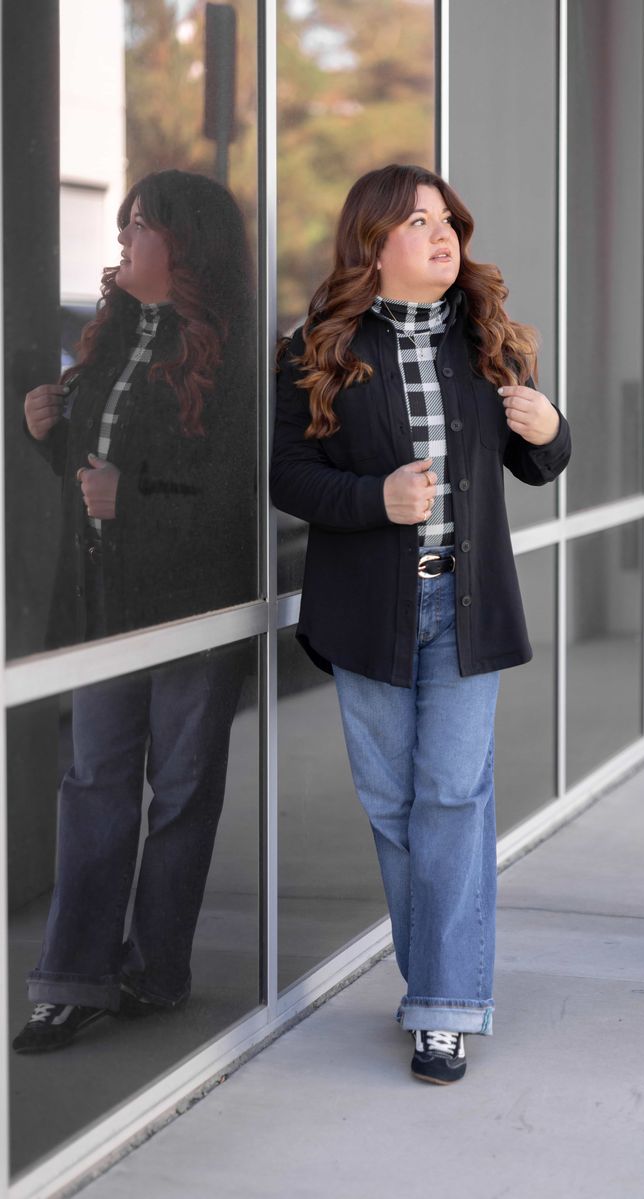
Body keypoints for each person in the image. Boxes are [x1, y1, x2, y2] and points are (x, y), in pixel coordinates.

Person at [270, 163, 571, 1084]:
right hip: (368, 613)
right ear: (374, 245)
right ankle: (439, 978)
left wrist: (550, 422)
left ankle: (442, 1006)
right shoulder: (317, 347)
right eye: (417, 222)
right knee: (394, 805)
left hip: (464, 606)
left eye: (447, 221)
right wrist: (377, 498)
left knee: (450, 795)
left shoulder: (489, 339)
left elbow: (540, 463)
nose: (443, 237)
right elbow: (288, 478)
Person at [13, 169, 256, 1054]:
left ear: (185, 247)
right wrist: (50, 438)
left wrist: (132, 499)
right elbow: (92, 494)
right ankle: (71, 980)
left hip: (193, 613)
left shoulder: (236, 359)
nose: (123, 239)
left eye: (140, 225)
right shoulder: (107, 340)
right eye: (123, 224)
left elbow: (235, 498)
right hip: (105, 615)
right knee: (93, 789)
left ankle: (156, 970)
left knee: (183, 794)